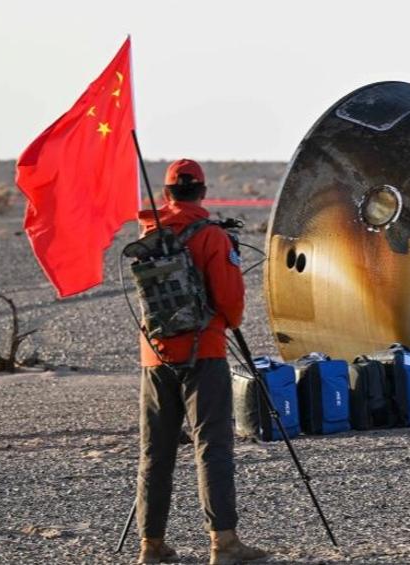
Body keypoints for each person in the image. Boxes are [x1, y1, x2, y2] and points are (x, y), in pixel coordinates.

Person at [134, 159, 267, 564]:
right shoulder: (211, 237)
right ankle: (223, 543)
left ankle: (151, 546)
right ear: (203, 192)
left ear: (167, 193)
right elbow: (230, 304)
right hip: (204, 352)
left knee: (155, 452)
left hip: (155, 356)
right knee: (212, 446)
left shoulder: (149, 233)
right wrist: (224, 320)